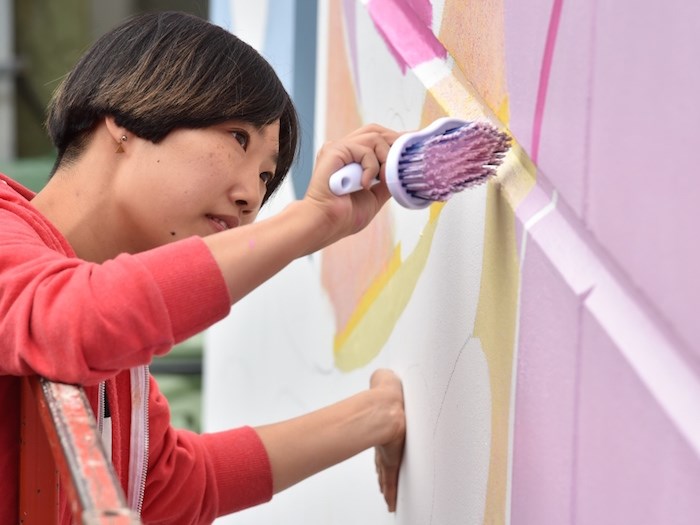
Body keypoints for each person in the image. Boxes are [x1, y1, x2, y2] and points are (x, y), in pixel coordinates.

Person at [0, 11, 405, 524]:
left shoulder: (116, 346)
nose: (250, 197)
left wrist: (375, 416)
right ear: (125, 118)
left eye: (265, 176)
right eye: (237, 137)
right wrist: (315, 219)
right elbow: (76, 319)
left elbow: (168, 488)